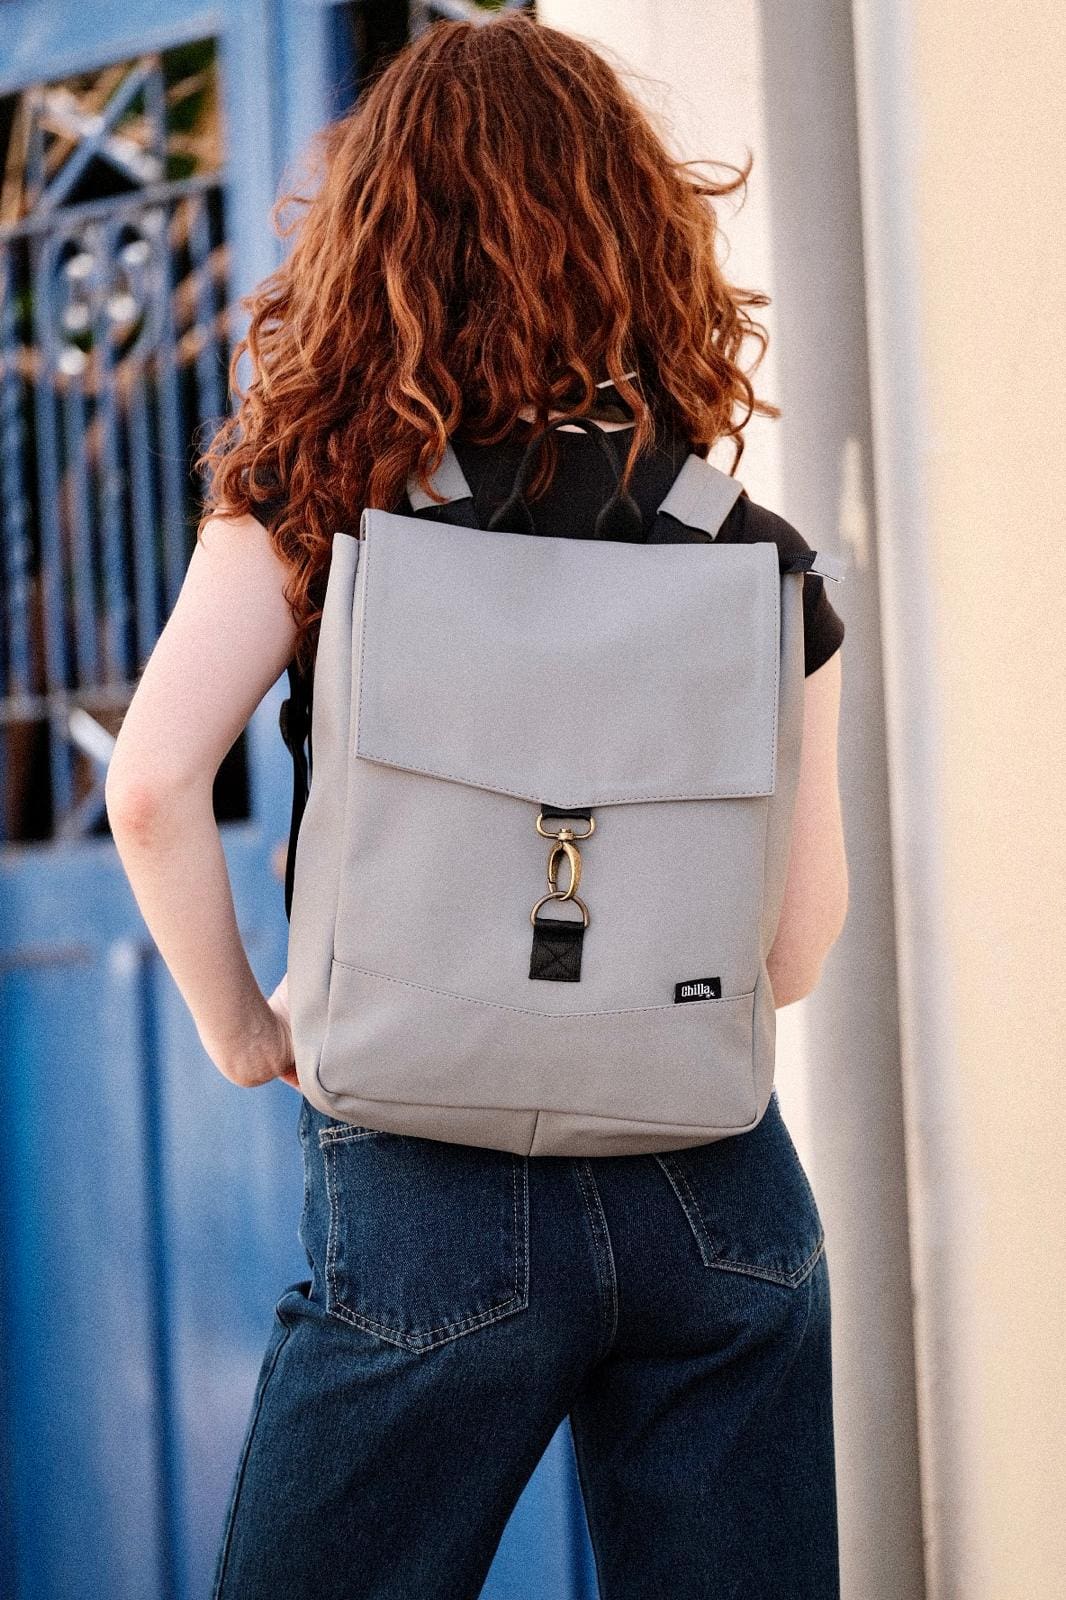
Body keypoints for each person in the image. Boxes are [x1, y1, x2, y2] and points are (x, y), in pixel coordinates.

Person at [105, 14, 848, 1599]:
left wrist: (245, 1031)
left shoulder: (316, 504)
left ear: (376, 241)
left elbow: (152, 786)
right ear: (639, 240)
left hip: (427, 1182)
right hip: (714, 1190)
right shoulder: (755, 556)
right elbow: (792, 949)